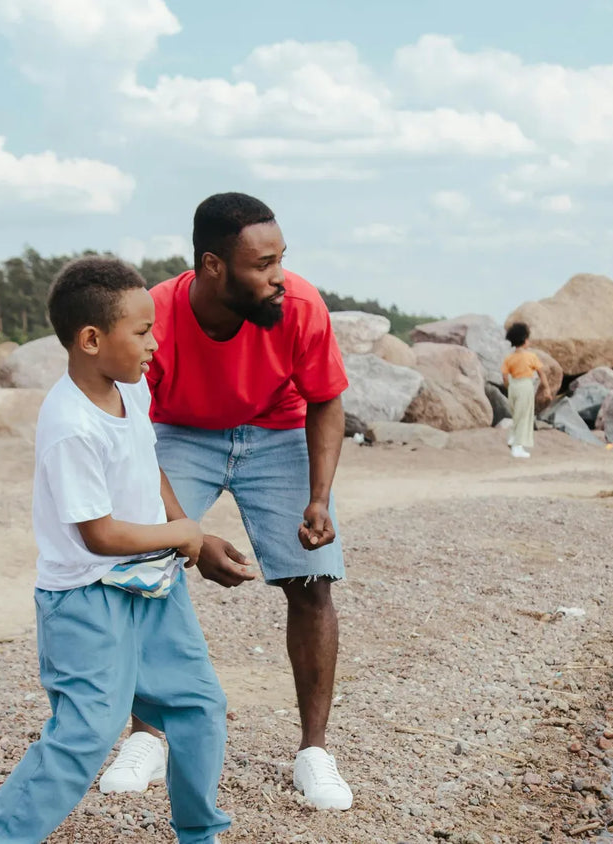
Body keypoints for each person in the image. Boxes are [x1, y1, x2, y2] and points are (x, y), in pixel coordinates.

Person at [98, 193, 355, 812]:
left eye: (281, 260)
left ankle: (314, 752)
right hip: (179, 431)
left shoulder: (298, 304)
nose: (278, 278)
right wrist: (186, 537)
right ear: (213, 266)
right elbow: (130, 434)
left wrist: (319, 497)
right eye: (262, 265)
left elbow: (325, 399)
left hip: (276, 429)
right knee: (142, 568)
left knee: (313, 577)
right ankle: (147, 735)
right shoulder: (154, 314)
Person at [0, 257, 231, 843]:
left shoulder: (127, 392)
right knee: (87, 732)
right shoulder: (69, 425)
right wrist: (185, 535)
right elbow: (101, 535)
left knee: (198, 708)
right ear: (91, 339)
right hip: (87, 600)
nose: (155, 345)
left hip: (154, 587)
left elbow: (148, 462)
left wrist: (188, 529)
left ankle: (199, 834)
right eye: (142, 332)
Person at [501, 322, 546, 458]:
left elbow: (504, 375)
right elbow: (541, 372)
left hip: (513, 386)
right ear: (524, 340)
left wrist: (509, 386)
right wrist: (546, 388)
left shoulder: (509, 358)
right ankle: (518, 446)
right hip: (525, 385)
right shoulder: (530, 356)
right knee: (524, 416)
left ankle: (513, 439)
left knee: (517, 414)